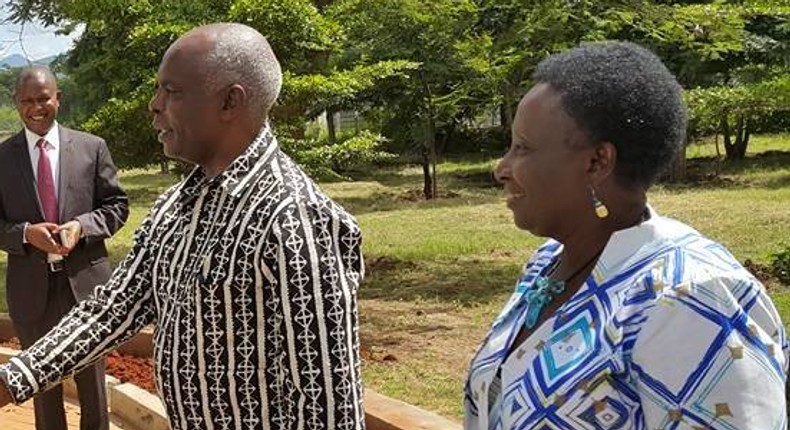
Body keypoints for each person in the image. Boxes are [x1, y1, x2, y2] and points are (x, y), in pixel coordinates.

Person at [0, 23, 365, 430]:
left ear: (229, 102)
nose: (154, 106)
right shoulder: (176, 207)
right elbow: (114, 309)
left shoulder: (294, 220)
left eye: (171, 92)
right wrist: (12, 380)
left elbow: (326, 406)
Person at [465, 41, 787, 430]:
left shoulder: (690, 300)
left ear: (598, 162)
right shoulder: (548, 264)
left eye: (523, 148)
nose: (502, 168)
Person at [0, 66, 129, 430]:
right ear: (16, 103)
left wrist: (82, 226)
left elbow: (117, 206)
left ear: (58, 98)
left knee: (92, 382)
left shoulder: (92, 147)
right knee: (41, 381)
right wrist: (26, 234)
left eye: (43, 98)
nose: (36, 107)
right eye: (27, 100)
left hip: (86, 286)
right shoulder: (1, 158)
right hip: (30, 289)